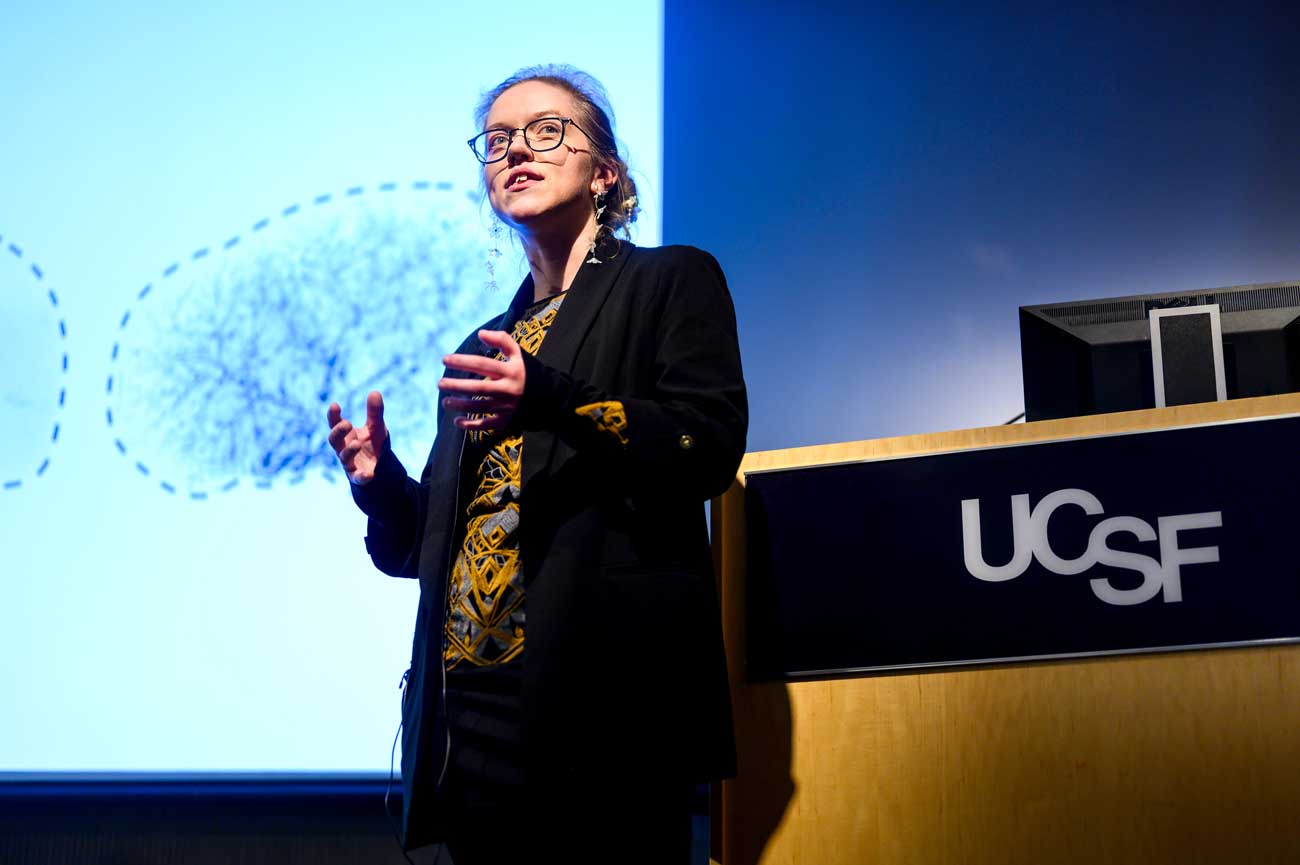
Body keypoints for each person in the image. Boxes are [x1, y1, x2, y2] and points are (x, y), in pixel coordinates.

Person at [326, 64, 747, 864]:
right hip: (471, 713)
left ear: (606, 171)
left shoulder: (669, 280)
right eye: (498, 139)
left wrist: (547, 392)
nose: (518, 148)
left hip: (603, 701)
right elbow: (433, 546)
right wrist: (382, 489)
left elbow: (707, 442)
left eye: (548, 130)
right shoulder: (490, 337)